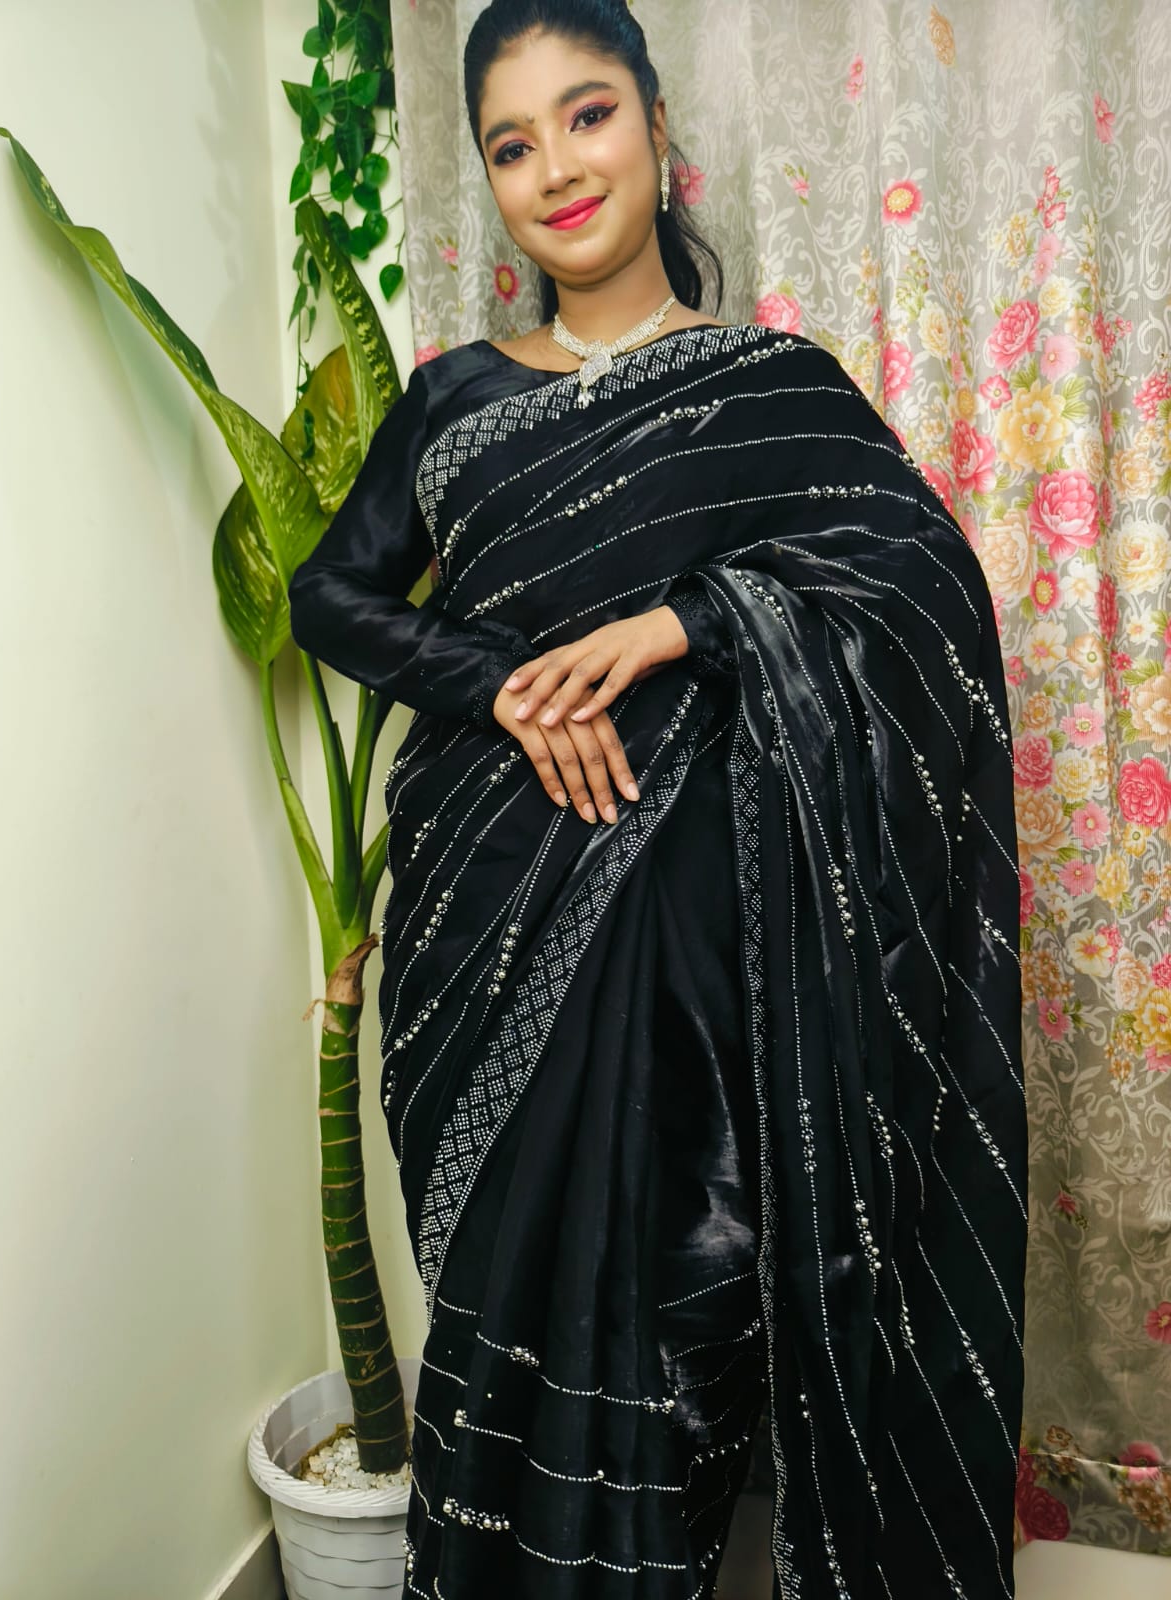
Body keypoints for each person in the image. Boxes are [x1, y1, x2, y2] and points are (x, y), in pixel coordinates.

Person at [287, 2, 1029, 1595]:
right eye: (511, 144)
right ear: (490, 181)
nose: (556, 167)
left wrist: (692, 619)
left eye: (588, 114)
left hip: (699, 975)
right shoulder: (450, 399)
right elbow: (327, 596)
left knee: (675, 1349)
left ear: (656, 127)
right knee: (498, 1318)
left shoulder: (774, 384)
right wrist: (497, 681)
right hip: (479, 936)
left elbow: (917, 581)